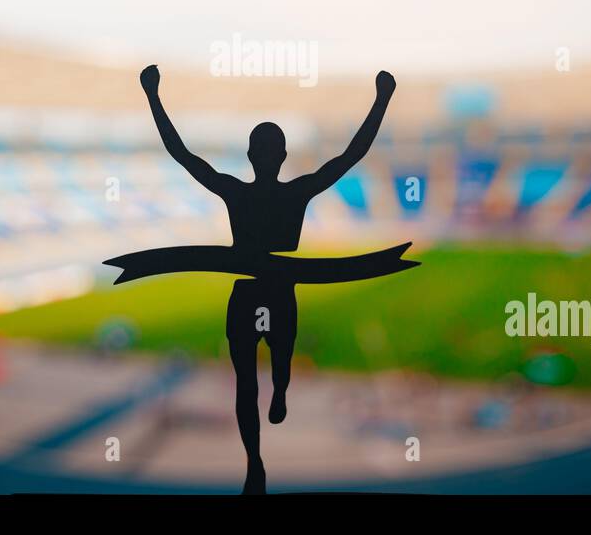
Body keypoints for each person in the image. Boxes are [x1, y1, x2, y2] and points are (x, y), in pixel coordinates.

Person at [107, 65, 413, 494]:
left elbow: (183, 155)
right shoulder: (297, 191)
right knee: (277, 361)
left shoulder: (236, 191)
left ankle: (261, 440)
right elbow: (351, 156)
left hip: (248, 291)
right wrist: (382, 99)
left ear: (251, 156)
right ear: (283, 156)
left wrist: (153, 96)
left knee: (248, 382)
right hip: (278, 289)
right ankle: (269, 425)